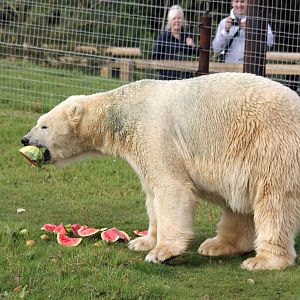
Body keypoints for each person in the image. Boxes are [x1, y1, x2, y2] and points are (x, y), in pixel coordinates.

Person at [151, 5, 199, 80]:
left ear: (182, 20)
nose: (177, 21)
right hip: (167, 79)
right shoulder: (163, 37)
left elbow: (196, 55)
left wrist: (193, 46)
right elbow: (154, 57)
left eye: (179, 18)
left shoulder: (188, 36)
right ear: (170, 21)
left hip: (185, 79)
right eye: (174, 18)